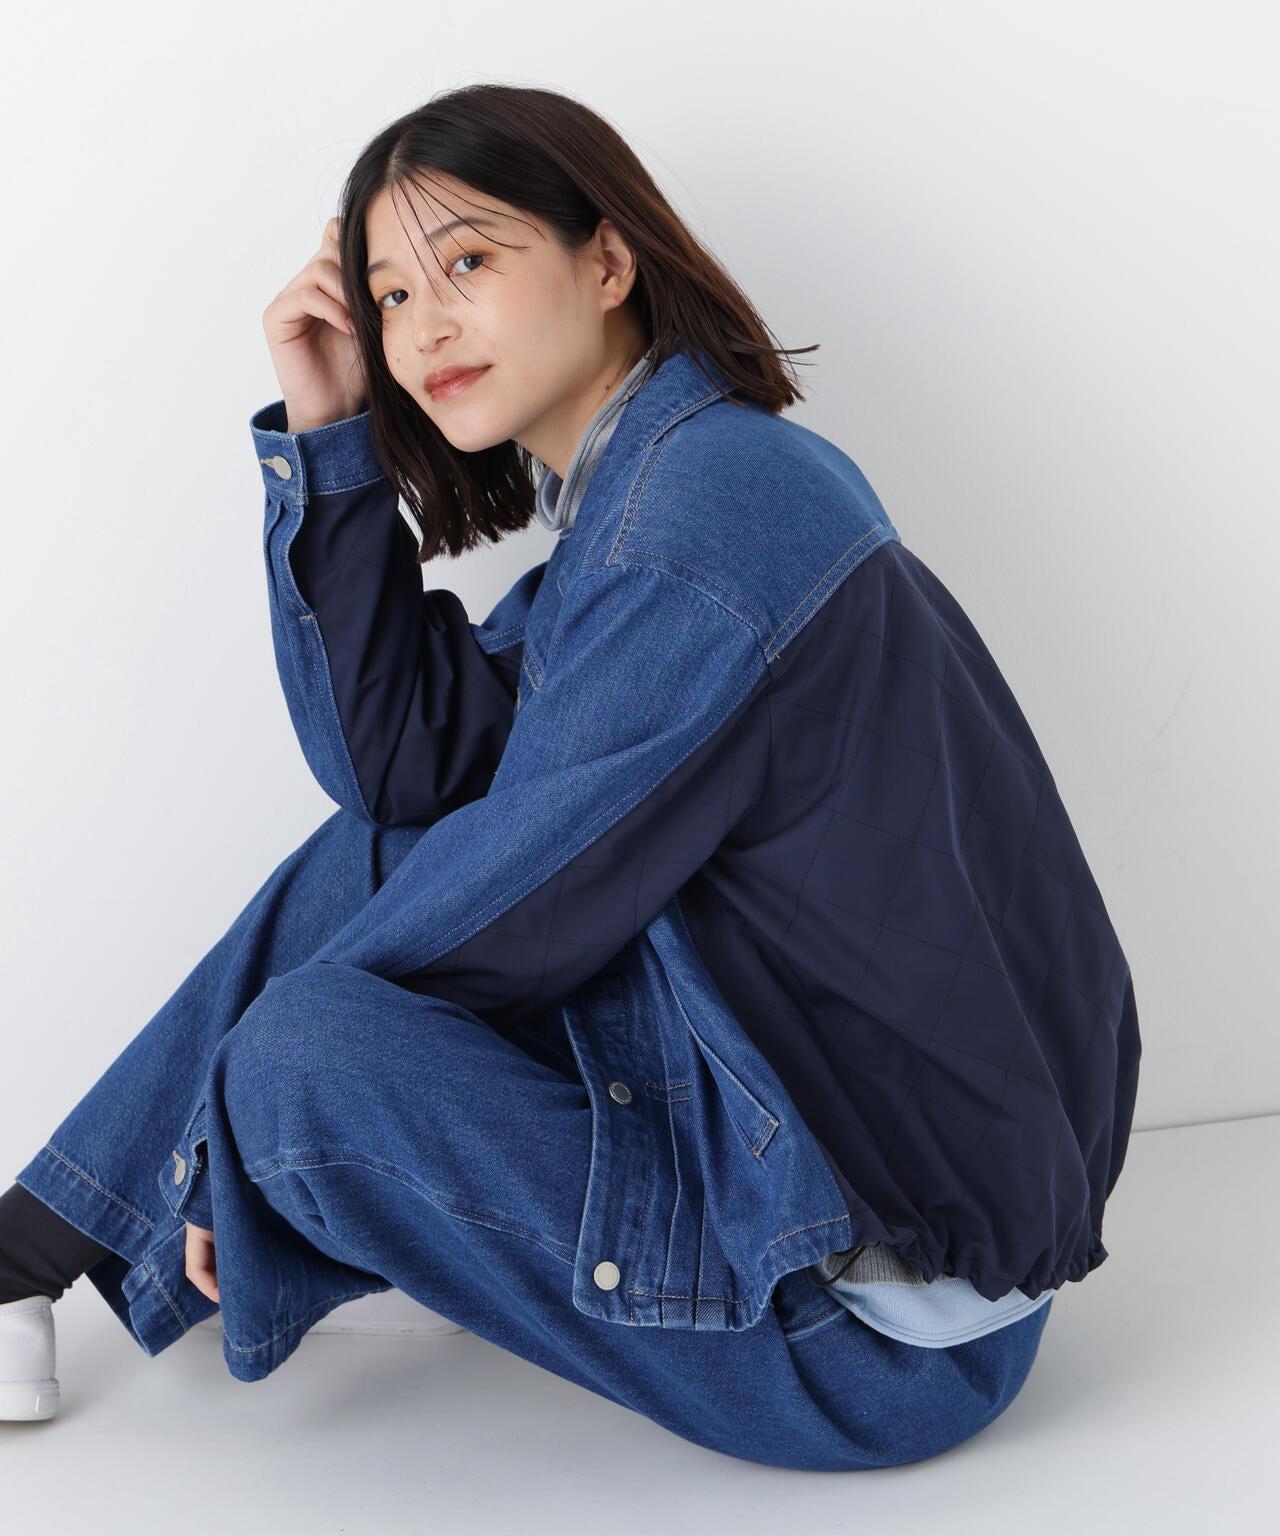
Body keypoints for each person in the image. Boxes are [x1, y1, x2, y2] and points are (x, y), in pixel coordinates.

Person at [0, 82, 1140, 1467]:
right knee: (380, 874)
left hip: (871, 1337)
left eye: (470, 261)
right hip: (848, 1205)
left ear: (609, 261)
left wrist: (230, 1140)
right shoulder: (668, 491)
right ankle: (27, 1252)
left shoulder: (693, 530)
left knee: (297, 1061)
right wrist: (331, 435)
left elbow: (511, 907)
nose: (426, 327)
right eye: (390, 295)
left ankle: (53, 1250)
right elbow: (404, 773)